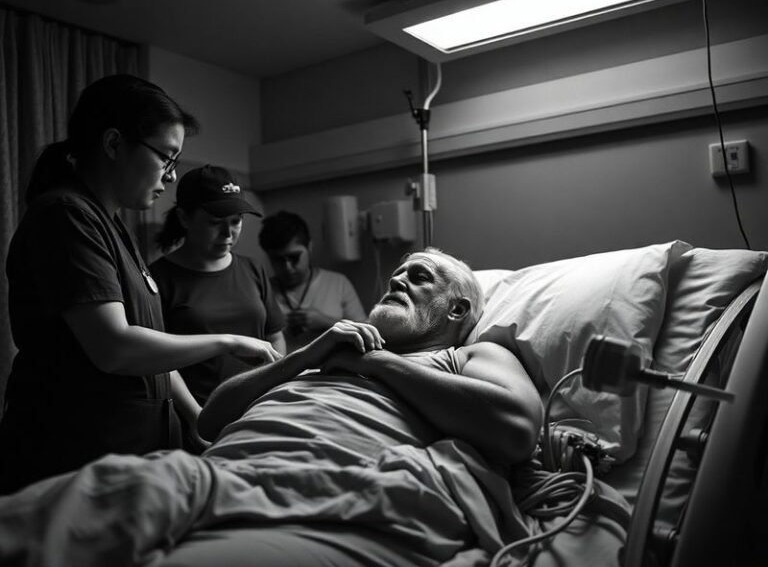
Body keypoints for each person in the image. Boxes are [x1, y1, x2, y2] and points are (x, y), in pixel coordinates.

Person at [0, 248, 544, 567]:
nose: (398, 279)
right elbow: (214, 419)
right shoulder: (329, 352)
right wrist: (303, 357)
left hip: (328, 492)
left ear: (457, 310)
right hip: (215, 474)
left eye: (420, 277)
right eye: (398, 272)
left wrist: (376, 366)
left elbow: (516, 429)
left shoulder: (469, 354)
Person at [0, 75, 281, 495]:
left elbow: (153, 352)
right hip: (75, 456)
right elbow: (115, 347)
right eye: (166, 158)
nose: (169, 178)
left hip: (132, 456)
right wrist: (228, 342)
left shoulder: (113, 227)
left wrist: (194, 417)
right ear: (114, 144)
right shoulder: (65, 215)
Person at [149, 165, 286, 449]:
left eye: (236, 221)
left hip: (257, 411)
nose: (228, 233)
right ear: (184, 218)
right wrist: (198, 418)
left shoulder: (252, 270)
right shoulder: (158, 278)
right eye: (215, 222)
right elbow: (158, 360)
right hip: (194, 420)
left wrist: (275, 393)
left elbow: (274, 338)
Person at [259, 210, 366, 352]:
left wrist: (326, 322)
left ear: (309, 247)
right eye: (278, 260)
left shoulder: (338, 283)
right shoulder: (262, 292)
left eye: (294, 257)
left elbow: (366, 332)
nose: (288, 268)